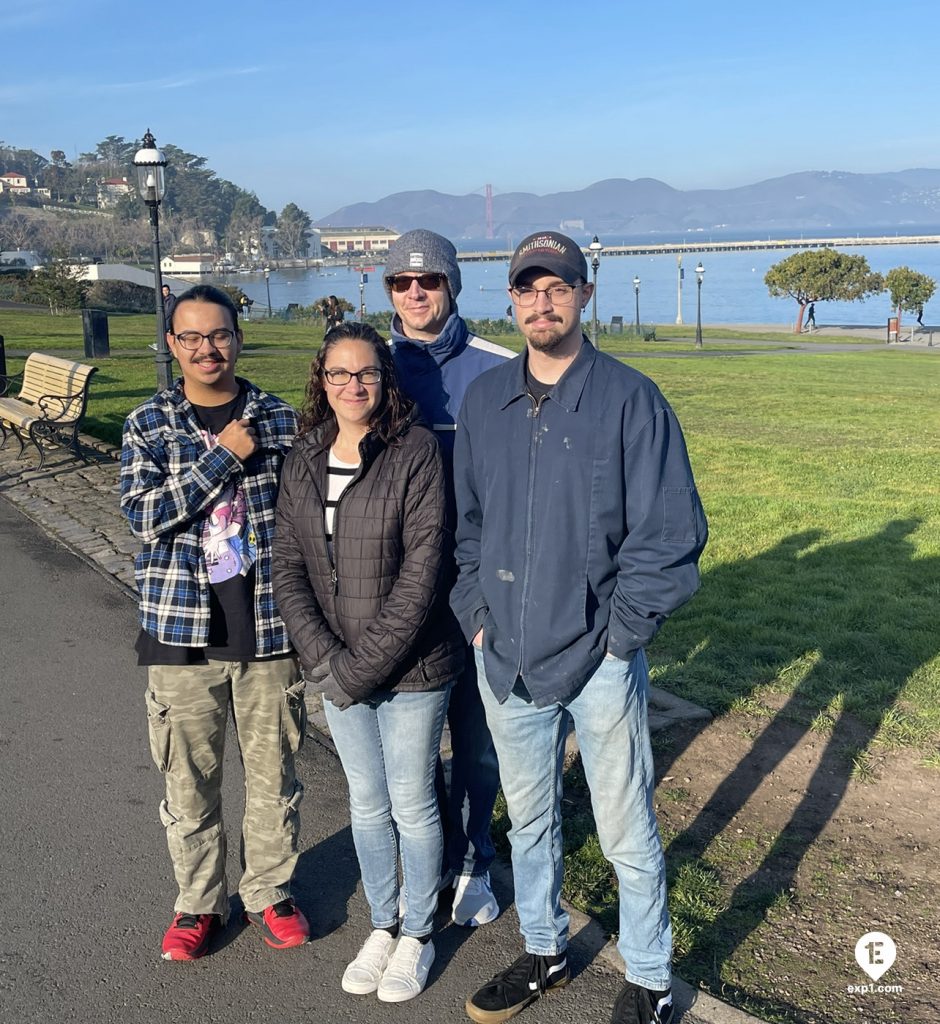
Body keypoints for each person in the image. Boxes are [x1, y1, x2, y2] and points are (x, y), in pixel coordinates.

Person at [451, 232, 708, 1024]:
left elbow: (670, 535)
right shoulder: (484, 403)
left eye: (557, 287)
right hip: (507, 659)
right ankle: (543, 951)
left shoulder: (631, 400)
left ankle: (651, 979)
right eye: (528, 288)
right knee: (530, 823)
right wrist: (477, 619)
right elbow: (467, 528)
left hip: (600, 658)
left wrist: (622, 637)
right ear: (511, 300)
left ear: (584, 295)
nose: (542, 302)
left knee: (626, 827)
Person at [272, 322, 464, 1002]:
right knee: (369, 803)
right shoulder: (304, 455)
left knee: (412, 803)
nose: (353, 386)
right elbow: (288, 565)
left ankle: (419, 932)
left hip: (412, 666)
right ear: (321, 381)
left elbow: (423, 573)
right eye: (339, 374)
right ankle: (383, 923)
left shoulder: (414, 451)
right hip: (335, 665)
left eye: (366, 373)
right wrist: (325, 656)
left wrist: (355, 671)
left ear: (385, 379)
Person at [120, 284, 309, 962]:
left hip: (268, 627)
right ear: (172, 344)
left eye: (220, 334)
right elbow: (142, 516)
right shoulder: (148, 423)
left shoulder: (280, 420)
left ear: (237, 337)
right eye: (192, 337)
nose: (208, 348)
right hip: (179, 630)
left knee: (274, 775)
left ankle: (269, 892)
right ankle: (198, 902)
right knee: (187, 779)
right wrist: (223, 456)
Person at [384, 228, 513, 929]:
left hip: (479, 585)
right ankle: (429, 856)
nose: (415, 293)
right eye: (401, 283)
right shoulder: (368, 371)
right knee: (414, 742)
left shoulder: (500, 369)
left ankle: (474, 858)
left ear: (452, 286)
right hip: (399, 589)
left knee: (477, 738)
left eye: (428, 280)